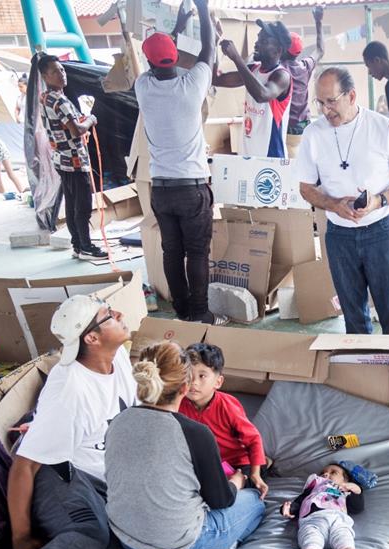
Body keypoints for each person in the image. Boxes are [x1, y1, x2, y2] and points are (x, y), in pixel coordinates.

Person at [0, 295, 137, 549]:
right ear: (92, 338)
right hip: (58, 473)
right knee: (90, 536)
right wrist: (21, 536)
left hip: (100, 479)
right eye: (108, 315)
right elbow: (25, 465)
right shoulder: (71, 392)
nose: (119, 311)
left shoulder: (118, 358)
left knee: (134, 540)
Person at [105, 341, 265, 549]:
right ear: (184, 387)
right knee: (255, 503)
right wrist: (237, 481)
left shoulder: (118, 421)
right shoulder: (195, 433)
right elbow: (221, 501)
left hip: (129, 543)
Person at [295, 67, 389, 335]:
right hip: (339, 235)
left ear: (351, 96)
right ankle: (360, 371)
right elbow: (305, 188)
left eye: (331, 101)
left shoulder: (382, 127)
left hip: (380, 229)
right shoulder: (313, 134)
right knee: (353, 315)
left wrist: (379, 200)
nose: (325, 110)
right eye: (320, 103)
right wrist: (333, 204)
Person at [135, 0, 224, 324]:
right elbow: (208, 50)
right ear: (173, 56)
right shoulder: (192, 85)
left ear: (148, 61)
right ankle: (201, 312)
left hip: (161, 189)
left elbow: (157, 59)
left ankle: (182, 310)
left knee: (172, 251)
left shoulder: (143, 87)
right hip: (191, 188)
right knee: (197, 252)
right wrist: (201, 10)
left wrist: (174, 28)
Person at [37, 55, 107, 262]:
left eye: (62, 70)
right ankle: (85, 246)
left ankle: (78, 244)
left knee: (72, 203)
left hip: (61, 159)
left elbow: (66, 126)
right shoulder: (59, 100)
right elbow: (76, 130)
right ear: (45, 76)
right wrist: (91, 120)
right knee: (83, 205)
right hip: (74, 160)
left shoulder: (45, 98)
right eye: (55, 71)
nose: (62, 74)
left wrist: (79, 122)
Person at [177, 343, 268, 496]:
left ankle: (256, 470)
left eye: (202, 376)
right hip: (207, 465)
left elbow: (253, 439)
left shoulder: (227, 405)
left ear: (218, 382)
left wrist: (255, 473)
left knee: (245, 483)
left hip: (238, 463)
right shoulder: (178, 404)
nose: (194, 382)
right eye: (188, 375)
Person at [213, 20, 293, 158]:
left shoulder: (282, 76)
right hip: (247, 155)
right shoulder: (253, 69)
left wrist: (237, 58)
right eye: (258, 39)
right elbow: (216, 79)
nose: (256, 44)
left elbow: (262, 95)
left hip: (270, 159)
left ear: (278, 50)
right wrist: (214, 41)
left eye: (264, 41)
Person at [281, 462, 375, 549]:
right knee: (310, 536)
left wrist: (356, 490)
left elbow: (357, 508)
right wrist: (288, 509)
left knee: (343, 534)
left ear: (345, 480)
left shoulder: (345, 492)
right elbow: (299, 503)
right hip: (313, 520)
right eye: (322, 473)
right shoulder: (313, 488)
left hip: (337, 519)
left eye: (333, 472)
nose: (326, 474)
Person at [282, 6, 325, 136]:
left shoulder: (280, 70)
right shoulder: (305, 66)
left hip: (288, 126)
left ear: (283, 49)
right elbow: (320, 50)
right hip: (305, 124)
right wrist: (318, 22)